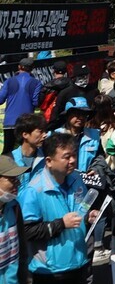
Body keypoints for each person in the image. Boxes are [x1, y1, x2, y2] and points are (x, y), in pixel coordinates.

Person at [21, 132, 97, 283]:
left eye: (74, 155)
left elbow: (80, 210)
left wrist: (89, 216)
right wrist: (61, 224)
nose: (73, 161)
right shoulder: (34, 191)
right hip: (50, 272)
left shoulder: (77, 180)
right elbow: (26, 231)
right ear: (49, 161)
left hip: (79, 262)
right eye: (67, 157)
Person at [0, 58, 42, 154]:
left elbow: (0, 99)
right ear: (32, 68)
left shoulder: (9, 81)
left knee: (7, 152)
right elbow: (36, 102)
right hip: (26, 123)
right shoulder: (36, 83)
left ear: (19, 67)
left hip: (9, 122)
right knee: (25, 153)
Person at [0, 155, 29, 283]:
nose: (18, 183)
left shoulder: (14, 207)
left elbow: (21, 252)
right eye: (12, 179)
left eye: (17, 178)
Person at [11, 112, 46, 192]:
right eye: (40, 131)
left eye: (45, 131)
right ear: (25, 134)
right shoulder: (10, 160)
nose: (45, 135)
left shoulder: (46, 159)